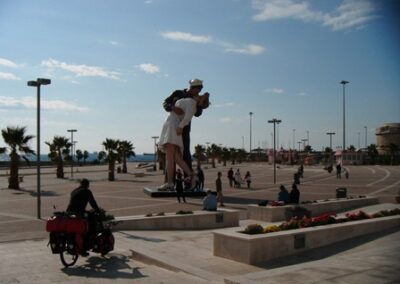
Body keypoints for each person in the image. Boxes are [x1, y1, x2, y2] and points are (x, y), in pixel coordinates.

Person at [157, 92, 210, 190]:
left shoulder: (192, 103)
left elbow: (187, 118)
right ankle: (192, 175)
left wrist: (180, 127)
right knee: (177, 158)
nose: (199, 94)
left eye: (200, 96)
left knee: (169, 158)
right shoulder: (191, 102)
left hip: (173, 127)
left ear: (200, 101)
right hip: (172, 125)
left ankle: (169, 183)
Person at [163, 79, 208, 181]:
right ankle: (170, 181)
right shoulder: (178, 93)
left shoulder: (195, 99)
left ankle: (188, 180)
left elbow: (197, 114)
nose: (197, 93)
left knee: (185, 154)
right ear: (192, 88)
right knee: (171, 155)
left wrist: (201, 102)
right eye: (196, 90)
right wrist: (173, 108)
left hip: (185, 129)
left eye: (199, 91)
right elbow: (165, 103)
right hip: (172, 125)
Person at [66, 178, 101, 256]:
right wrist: (98, 211)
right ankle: (84, 248)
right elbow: (93, 202)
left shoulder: (74, 191)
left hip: (69, 213)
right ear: (87, 185)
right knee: (88, 228)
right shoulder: (87, 191)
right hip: (79, 213)